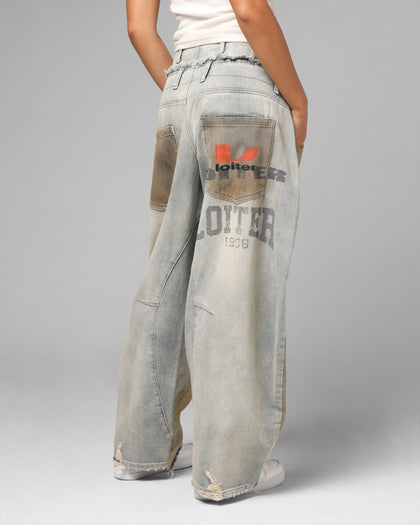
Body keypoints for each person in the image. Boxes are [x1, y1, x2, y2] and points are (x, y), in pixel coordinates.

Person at [113, 0, 308, 502]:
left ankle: (142, 449)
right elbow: (249, 10)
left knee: (165, 269)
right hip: (241, 84)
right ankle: (228, 466)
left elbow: (138, 29)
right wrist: (298, 100)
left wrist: (189, 91)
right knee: (234, 274)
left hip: (178, 90)